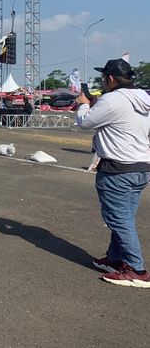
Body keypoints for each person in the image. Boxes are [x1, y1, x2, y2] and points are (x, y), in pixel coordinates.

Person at [76, 58, 150, 288]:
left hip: (117, 168)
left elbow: (85, 123)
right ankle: (115, 259)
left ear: (109, 78)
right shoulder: (143, 97)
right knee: (124, 217)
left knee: (119, 220)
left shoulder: (112, 99)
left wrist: (84, 104)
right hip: (141, 166)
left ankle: (137, 270)